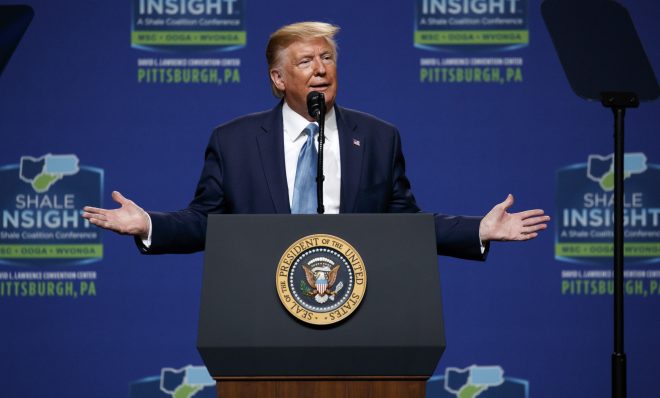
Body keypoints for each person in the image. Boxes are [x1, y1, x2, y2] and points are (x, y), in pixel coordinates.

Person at [82, 22, 549, 258]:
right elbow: (205, 223)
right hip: (261, 318)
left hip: (360, 312)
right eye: (305, 61)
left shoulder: (379, 138)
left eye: (327, 58)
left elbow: (403, 224)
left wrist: (477, 230)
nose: (321, 69)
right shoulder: (234, 142)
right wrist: (149, 225)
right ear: (278, 77)